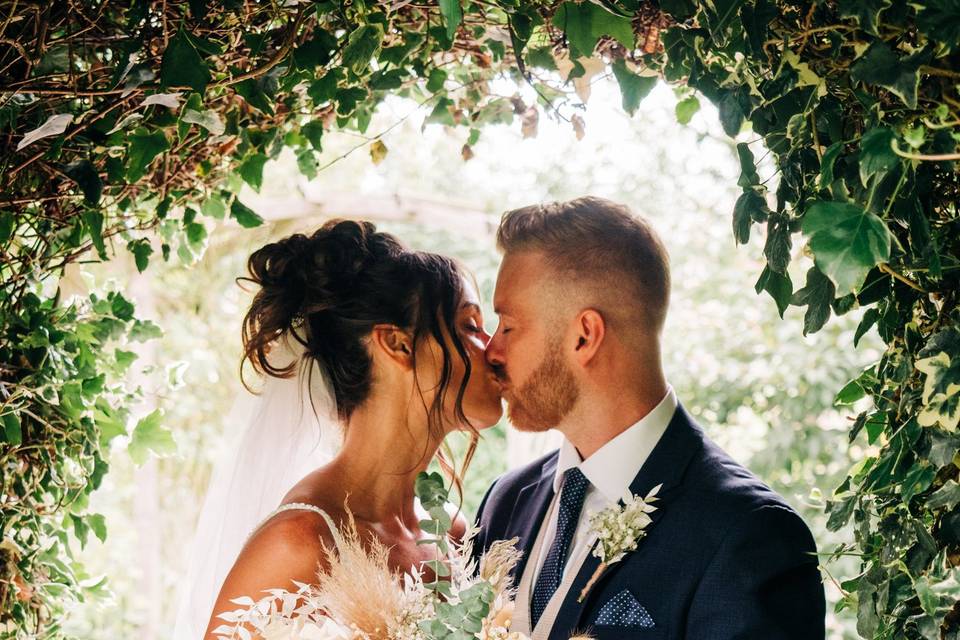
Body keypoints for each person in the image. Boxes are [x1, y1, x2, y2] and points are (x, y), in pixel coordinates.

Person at [472, 197, 826, 639]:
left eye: (507, 325)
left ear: (584, 337)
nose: (492, 351)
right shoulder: (506, 501)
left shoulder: (750, 536)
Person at [187, 219, 502, 639]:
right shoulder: (300, 544)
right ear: (398, 345)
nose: (494, 348)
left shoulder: (454, 536)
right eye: (469, 326)